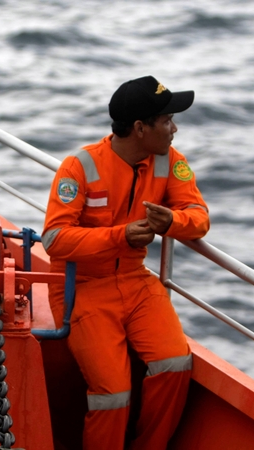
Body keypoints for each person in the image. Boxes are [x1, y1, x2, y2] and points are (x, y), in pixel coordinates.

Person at [41, 75, 210, 449]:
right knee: (113, 393)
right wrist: (118, 236)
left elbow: (199, 216)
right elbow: (54, 240)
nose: (174, 128)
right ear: (139, 128)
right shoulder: (79, 167)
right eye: (166, 120)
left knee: (175, 362)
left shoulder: (169, 162)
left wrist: (174, 222)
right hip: (81, 288)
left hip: (136, 281)